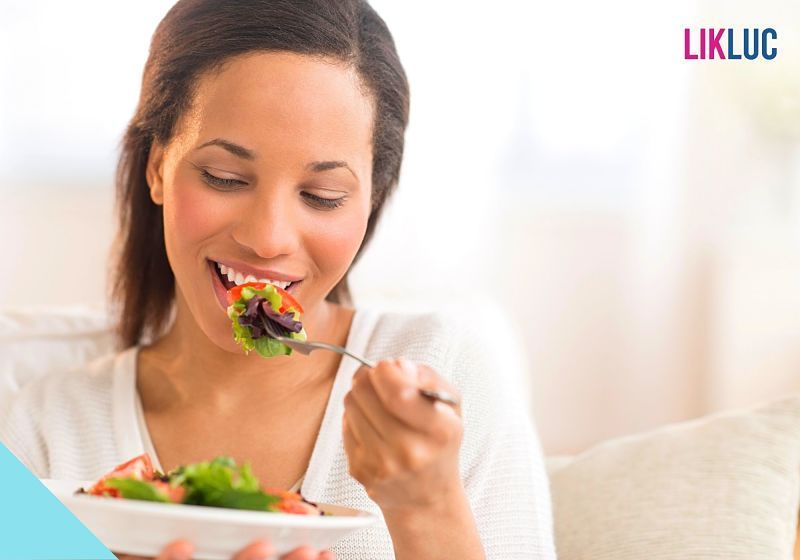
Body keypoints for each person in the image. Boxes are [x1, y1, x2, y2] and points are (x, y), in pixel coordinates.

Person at [0, 1, 556, 558]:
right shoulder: (46, 427)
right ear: (157, 167)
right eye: (224, 177)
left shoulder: (446, 371)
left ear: (371, 202)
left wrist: (427, 505)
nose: (268, 239)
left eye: (322, 197)